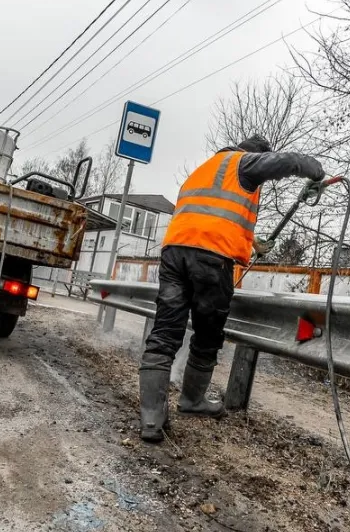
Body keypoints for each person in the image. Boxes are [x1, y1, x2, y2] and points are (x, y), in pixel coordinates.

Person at [139, 134, 325, 442]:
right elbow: (290, 162)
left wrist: (251, 243)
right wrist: (315, 171)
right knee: (208, 334)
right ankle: (192, 400)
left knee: (164, 333)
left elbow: (209, 215)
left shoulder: (207, 168)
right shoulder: (245, 163)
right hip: (210, 261)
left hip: (174, 254)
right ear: (256, 155)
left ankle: (151, 420)